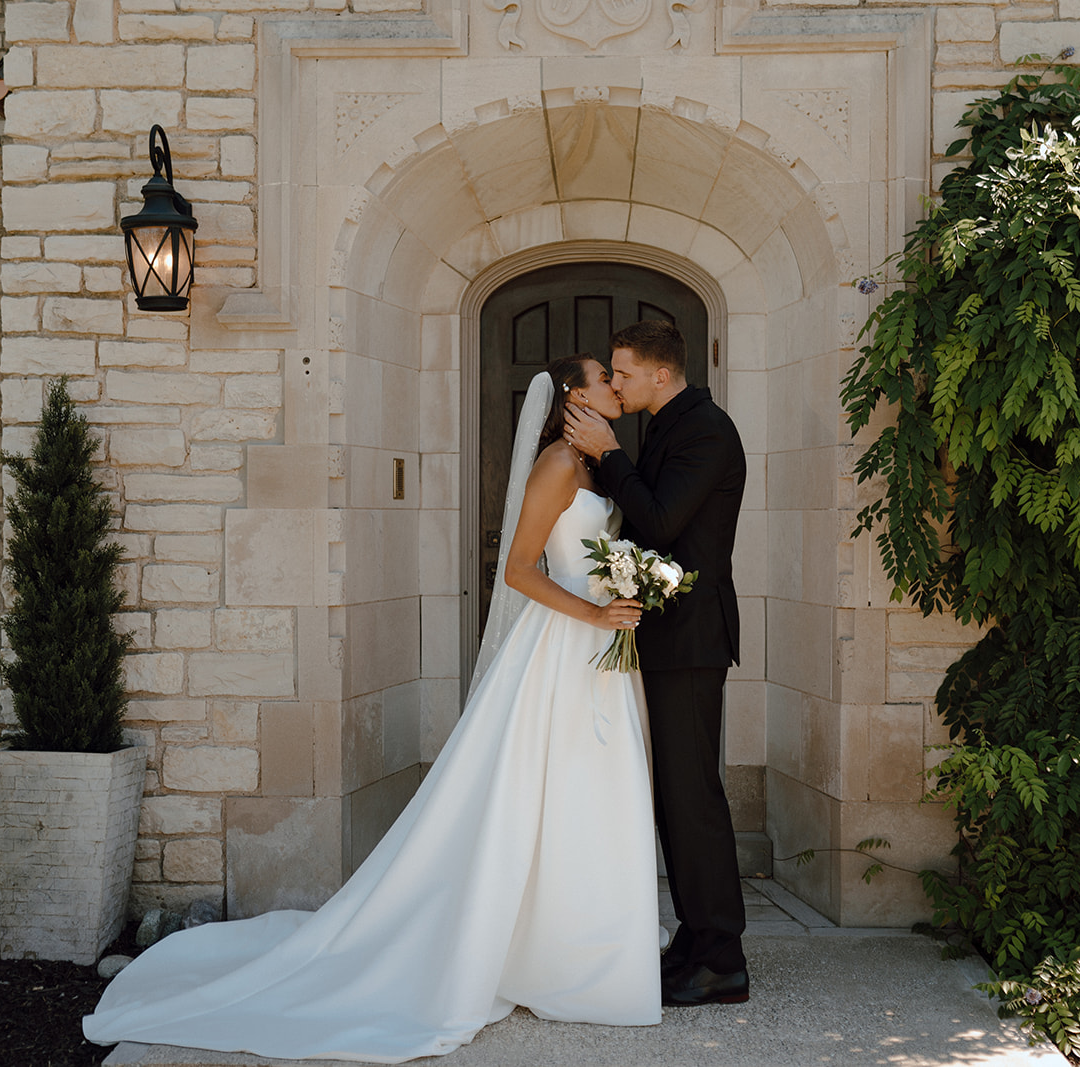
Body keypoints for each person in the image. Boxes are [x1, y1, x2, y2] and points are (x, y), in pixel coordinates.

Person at [83, 356, 657, 1062]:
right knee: (534, 792)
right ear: (574, 397)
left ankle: (576, 948)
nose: (614, 386)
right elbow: (517, 569)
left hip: (594, 652)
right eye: (604, 376)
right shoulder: (557, 465)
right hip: (560, 646)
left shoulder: (597, 464)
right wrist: (594, 614)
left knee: (585, 793)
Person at [564, 319, 750, 1008]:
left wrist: (611, 457)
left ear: (661, 375)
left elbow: (662, 520)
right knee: (675, 797)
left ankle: (722, 958)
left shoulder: (705, 429)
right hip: (666, 638)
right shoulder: (670, 422)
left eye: (622, 373)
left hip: (693, 640)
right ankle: (695, 941)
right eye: (610, 373)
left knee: (694, 797)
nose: (614, 384)